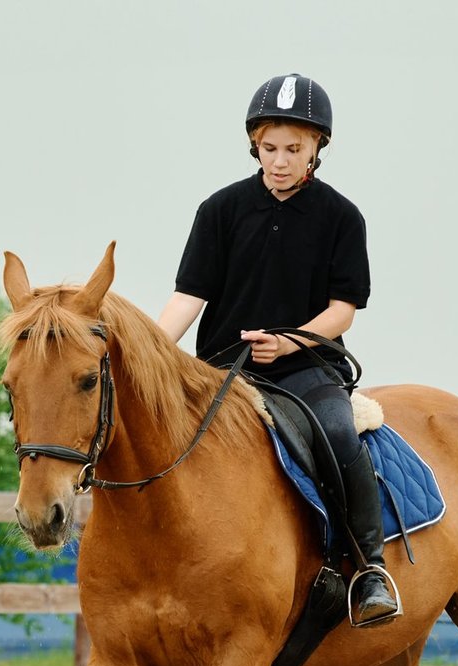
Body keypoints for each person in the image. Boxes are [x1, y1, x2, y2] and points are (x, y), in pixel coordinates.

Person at [155, 73, 399, 626]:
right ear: (254, 145)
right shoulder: (219, 210)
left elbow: (343, 310)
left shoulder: (342, 217)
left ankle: (369, 569)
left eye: (294, 148)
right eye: (270, 149)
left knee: (339, 432)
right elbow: (188, 297)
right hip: (221, 368)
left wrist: (288, 340)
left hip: (308, 368)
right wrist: (143, 354)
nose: (281, 160)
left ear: (319, 147)